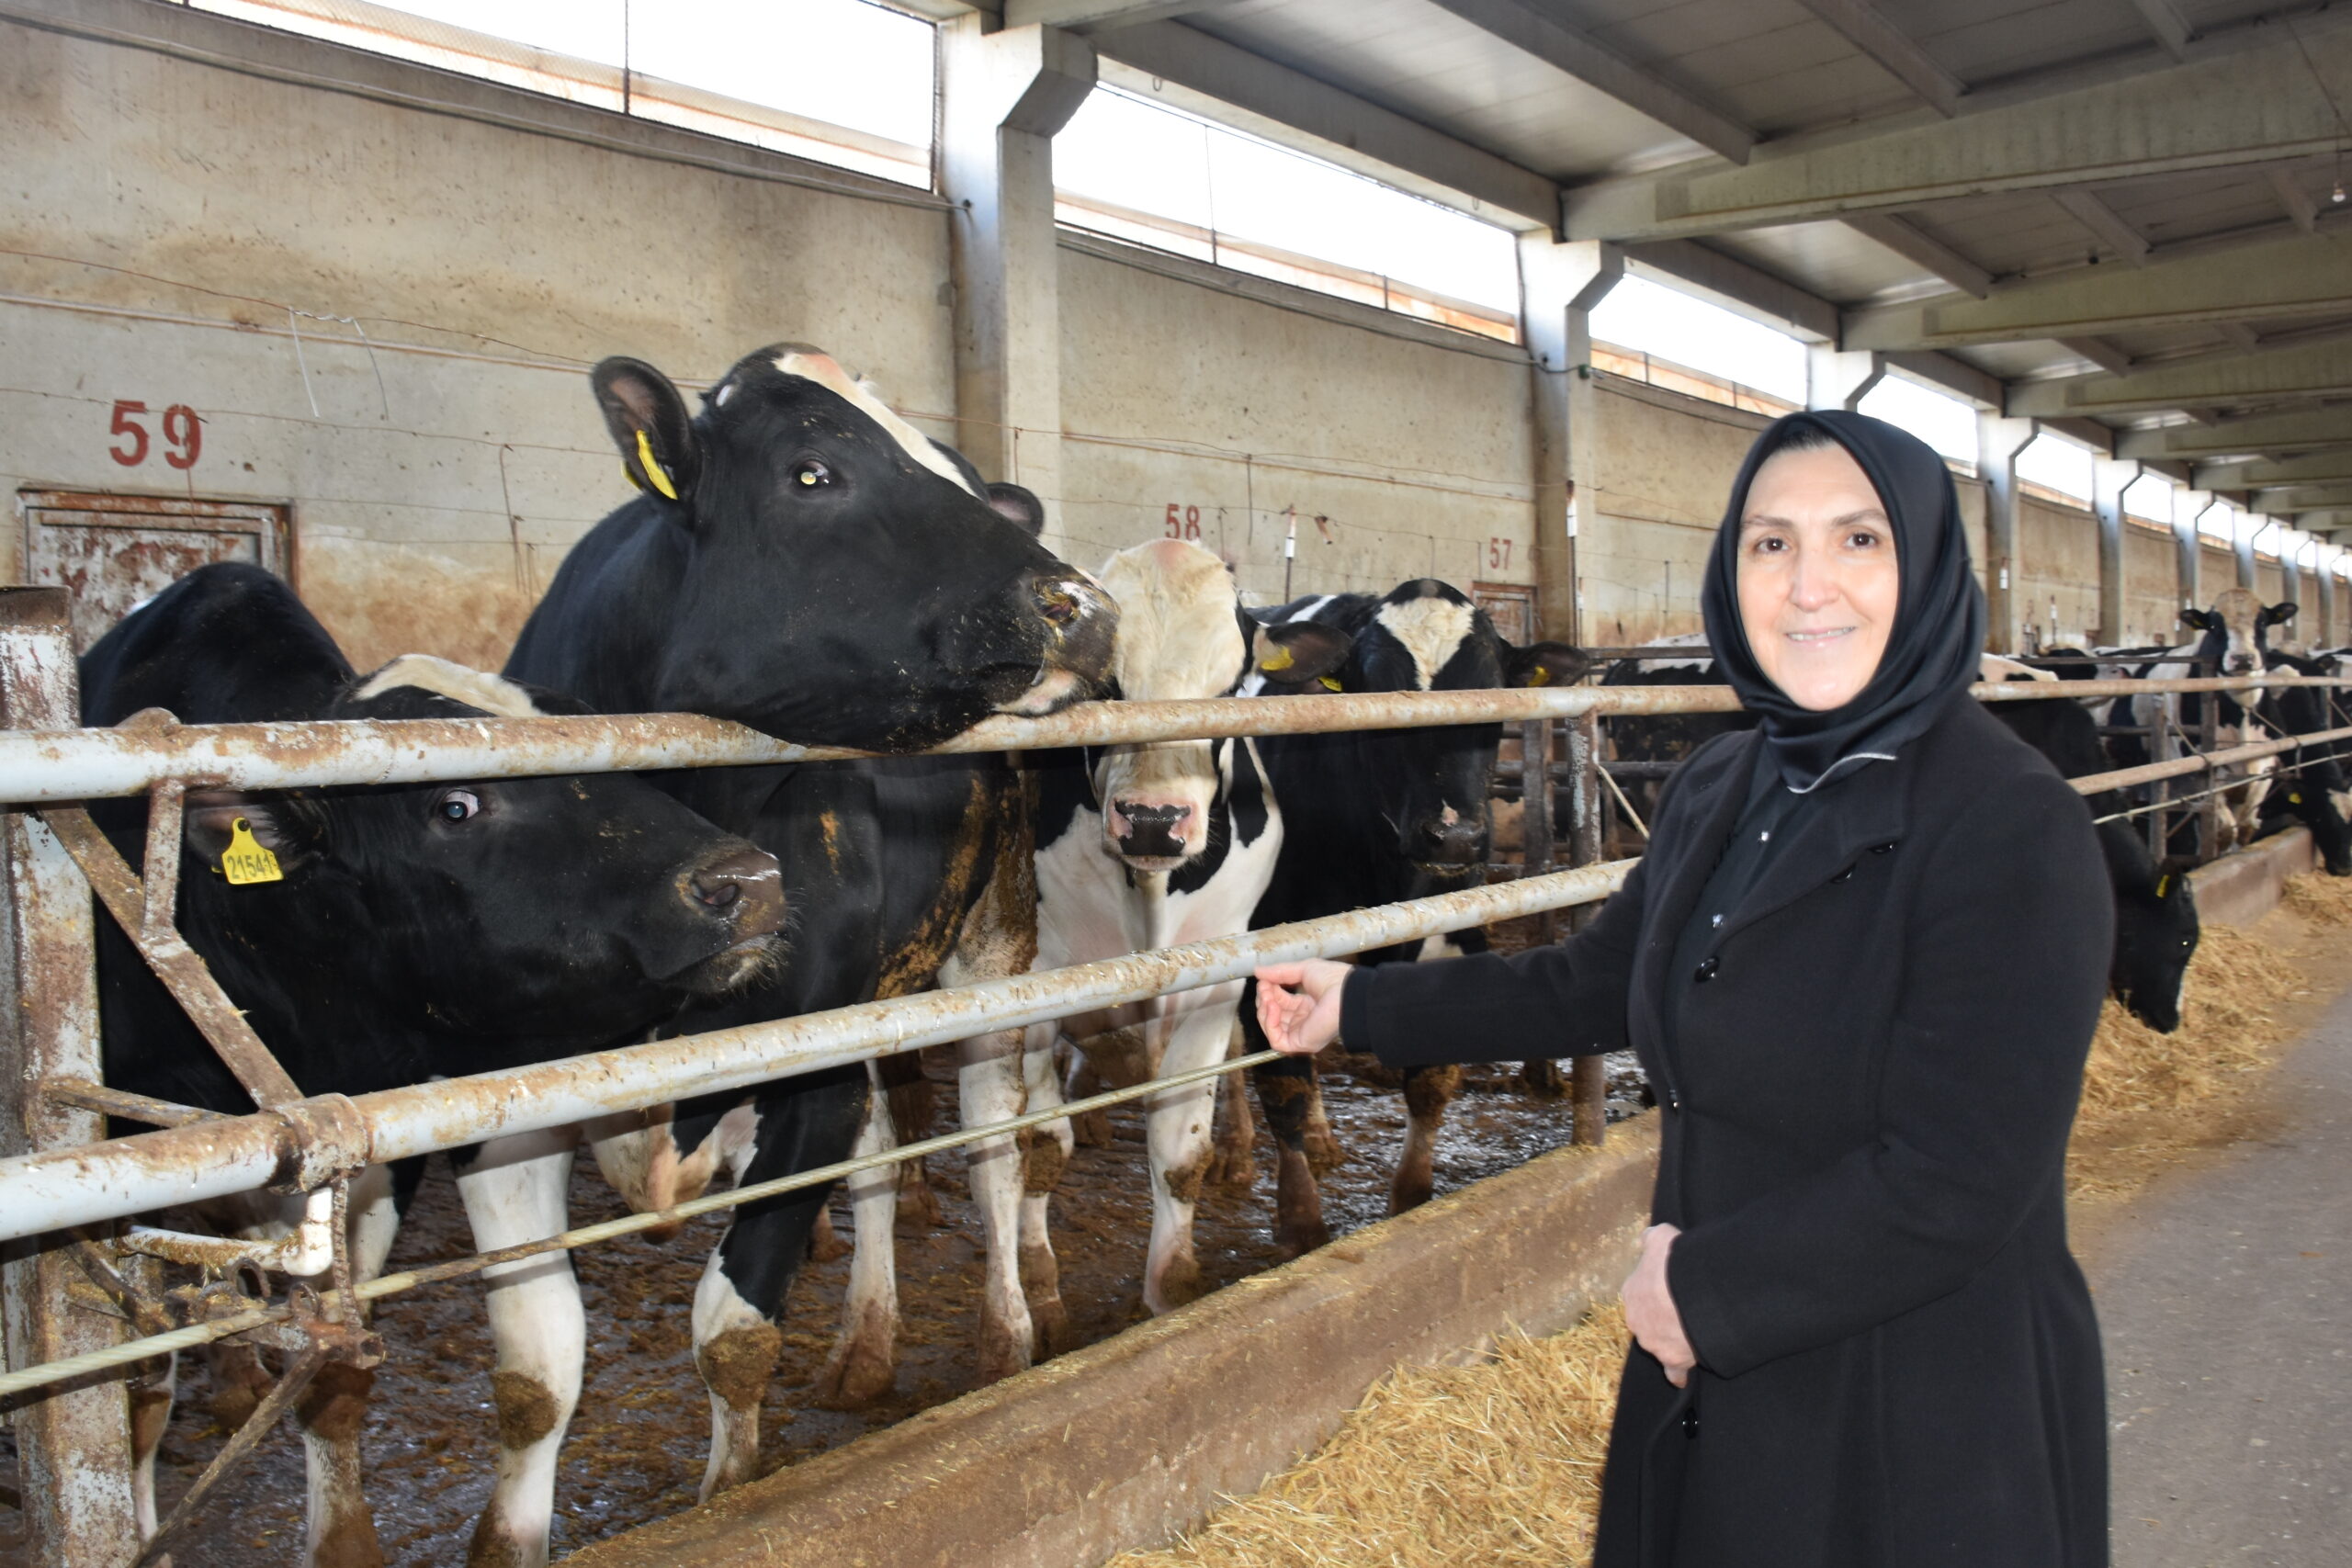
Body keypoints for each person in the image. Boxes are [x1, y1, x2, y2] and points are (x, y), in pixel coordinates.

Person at [1255, 409, 2114, 1567]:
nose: (1808, 586)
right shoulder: (1726, 782)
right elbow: (1599, 978)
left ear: (1926, 568)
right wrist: (1357, 1005)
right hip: (1710, 1367)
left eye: (1858, 541)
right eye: (1770, 543)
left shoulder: (2010, 824)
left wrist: (1704, 1293)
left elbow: (1960, 1178)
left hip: (1914, 1400)